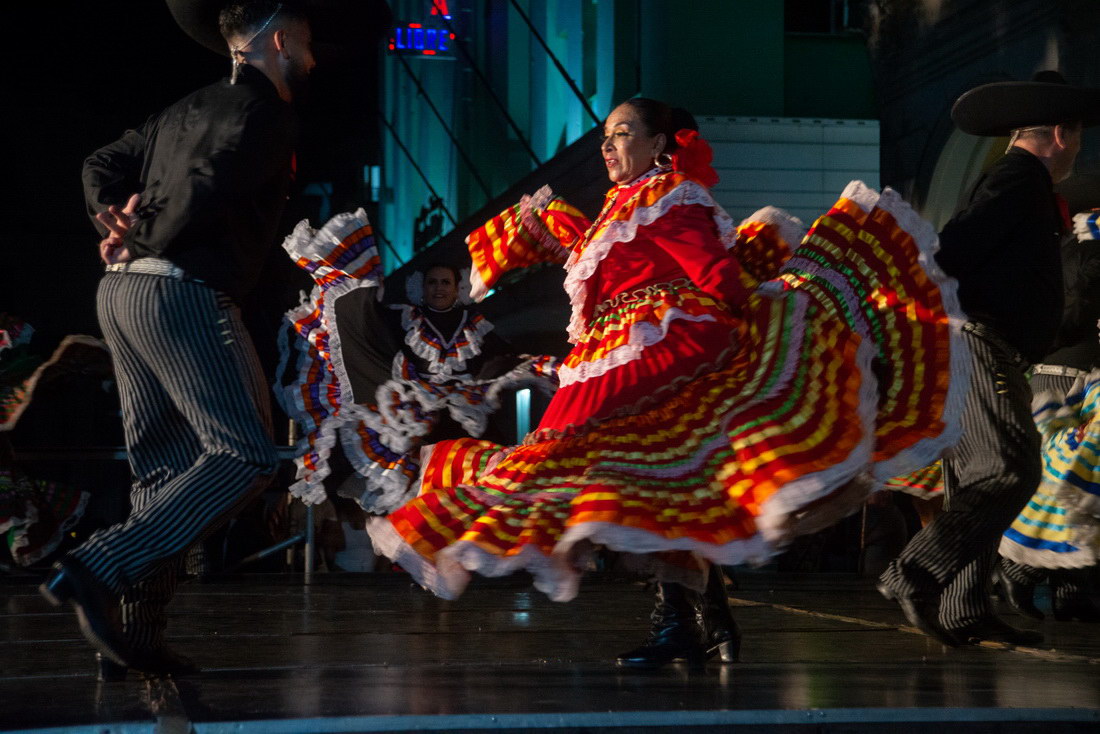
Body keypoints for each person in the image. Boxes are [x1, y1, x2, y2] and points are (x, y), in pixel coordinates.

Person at [367, 97, 968, 669]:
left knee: (584, 469)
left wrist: (754, 316)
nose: (608, 147)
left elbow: (715, 276)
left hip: (657, 347)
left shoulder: (674, 195)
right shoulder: (621, 205)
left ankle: (684, 623)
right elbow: (608, 265)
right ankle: (702, 625)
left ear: (659, 142)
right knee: (648, 487)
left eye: (621, 134)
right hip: (618, 349)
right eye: (603, 138)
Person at [36, 0, 375, 679]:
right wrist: (150, 232)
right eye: (306, 45)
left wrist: (112, 218)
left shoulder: (181, 108)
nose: (311, 59)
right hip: (180, 290)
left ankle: (130, 636)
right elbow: (205, 180)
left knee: (162, 468)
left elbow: (102, 160)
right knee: (247, 454)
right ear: (280, 41)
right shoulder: (268, 113)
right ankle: (97, 568)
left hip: (123, 290)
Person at [878, 71, 1100, 646]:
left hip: (982, 343)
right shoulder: (1019, 178)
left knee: (977, 477)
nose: (1077, 146)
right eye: (1076, 135)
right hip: (982, 343)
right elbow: (957, 245)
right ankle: (915, 573)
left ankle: (962, 608)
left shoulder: (1019, 180)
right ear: (1061, 133)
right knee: (1009, 469)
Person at [277, 211, 559, 516]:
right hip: (420, 416)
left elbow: (499, 357)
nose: (439, 288)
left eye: (445, 282)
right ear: (422, 287)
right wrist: (364, 295)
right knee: (415, 487)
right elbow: (375, 332)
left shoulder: (474, 325)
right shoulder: (407, 318)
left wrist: (527, 365)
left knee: (487, 482)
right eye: (433, 282)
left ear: (457, 287)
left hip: (464, 419)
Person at [997, 205, 1100, 623]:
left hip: (1062, 372)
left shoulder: (1068, 248)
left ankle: (1070, 590)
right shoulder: (1087, 255)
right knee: (1068, 478)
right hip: (1073, 377)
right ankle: (1021, 565)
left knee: (1076, 478)